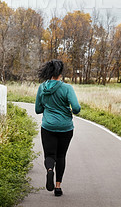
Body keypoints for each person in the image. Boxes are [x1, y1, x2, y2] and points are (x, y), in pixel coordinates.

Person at [35, 59, 81, 197]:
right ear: (60, 72)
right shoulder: (67, 88)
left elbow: (38, 109)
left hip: (48, 127)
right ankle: (58, 187)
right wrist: (70, 111)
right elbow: (77, 108)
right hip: (65, 128)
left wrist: (47, 107)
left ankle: (50, 170)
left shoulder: (42, 88)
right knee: (61, 155)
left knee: (50, 155)